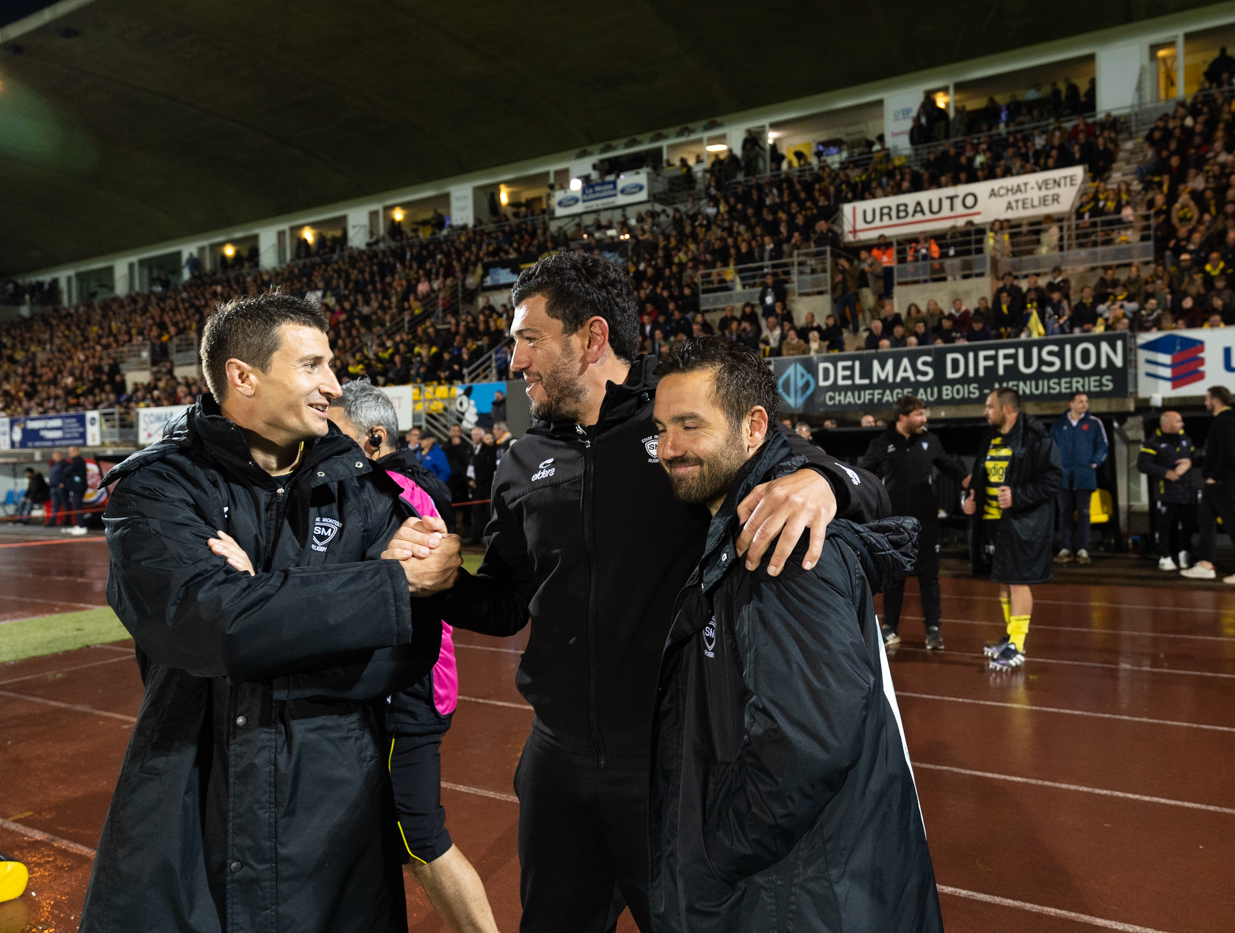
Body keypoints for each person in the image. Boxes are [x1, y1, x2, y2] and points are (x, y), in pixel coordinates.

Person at [412, 251, 882, 932]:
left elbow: (868, 491)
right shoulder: (521, 459)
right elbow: (509, 601)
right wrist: (442, 583)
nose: (514, 361)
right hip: (556, 762)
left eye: (529, 338)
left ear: (592, 338)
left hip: (671, 764)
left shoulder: (682, 427)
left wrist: (826, 483)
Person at [81, 293, 453, 933]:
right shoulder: (158, 488)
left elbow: (409, 648)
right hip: (189, 800)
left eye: (330, 366)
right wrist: (378, 585)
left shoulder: (361, 487)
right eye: (312, 366)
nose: (332, 386)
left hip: (336, 810)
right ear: (243, 376)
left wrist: (265, 603)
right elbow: (209, 626)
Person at [648, 337, 942, 932]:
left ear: (753, 426)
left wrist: (718, 848)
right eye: (660, 429)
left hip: (798, 890)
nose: (668, 448)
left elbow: (808, 741)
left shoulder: (782, 539)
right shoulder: (738, 512)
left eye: (688, 425)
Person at [326, 380, 496, 933]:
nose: (326, 445)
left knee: (418, 837)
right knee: (379, 835)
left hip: (410, 688)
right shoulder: (396, 483)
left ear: (374, 437)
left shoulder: (394, 489)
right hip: (405, 683)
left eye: (338, 434)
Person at [962, 387, 1062, 671]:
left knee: (1018, 581)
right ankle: (1010, 636)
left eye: (989, 406)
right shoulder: (990, 437)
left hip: (1024, 523)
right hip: (995, 523)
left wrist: (1018, 496)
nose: (985, 412)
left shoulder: (1036, 437)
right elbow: (980, 478)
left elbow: (1054, 479)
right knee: (1005, 580)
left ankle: (1017, 644)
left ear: (1006, 409)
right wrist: (970, 502)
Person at [860, 395, 967, 651]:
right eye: (919, 415)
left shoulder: (930, 441)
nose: (924, 419)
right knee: (894, 577)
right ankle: (890, 628)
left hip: (926, 523)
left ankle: (933, 629)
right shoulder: (881, 443)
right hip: (893, 525)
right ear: (902, 417)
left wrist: (970, 481)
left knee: (929, 577)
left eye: (924, 414)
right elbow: (864, 475)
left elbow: (950, 467)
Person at [1180, 386, 1235, 584]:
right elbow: (1213, 454)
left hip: (1223, 481)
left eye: (1206, 398)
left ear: (1215, 400)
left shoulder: (1224, 421)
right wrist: (1193, 462)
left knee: (1233, 523)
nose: (1205, 402)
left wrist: (1214, 476)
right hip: (1216, 481)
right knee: (1205, 521)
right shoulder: (1222, 422)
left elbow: (1228, 452)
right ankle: (1206, 565)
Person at [1050, 393, 1108, 565]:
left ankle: (1082, 549)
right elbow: (1050, 446)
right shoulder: (1059, 424)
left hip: (1085, 476)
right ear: (1071, 404)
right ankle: (1066, 548)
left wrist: (1095, 462)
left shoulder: (1094, 423)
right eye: (1081, 401)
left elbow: (1103, 445)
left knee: (1084, 513)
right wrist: (1055, 467)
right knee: (1064, 512)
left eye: (1086, 401)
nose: (1085, 404)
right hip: (1063, 476)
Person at [1137, 410, 1195, 571]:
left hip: (1185, 493)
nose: (1182, 424)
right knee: (1164, 527)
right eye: (1178, 421)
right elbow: (1142, 465)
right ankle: (1165, 556)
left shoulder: (1186, 439)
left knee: (1185, 526)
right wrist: (1165, 473)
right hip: (1165, 493)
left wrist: (1190, 462)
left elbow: (1193, 457)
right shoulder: (1152, 442)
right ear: (1167, 424)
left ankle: (1184, 554)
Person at [62, 446, 91, 535]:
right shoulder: (75, 461)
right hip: (76, 488)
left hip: (79, 488)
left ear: (77, 451)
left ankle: (82, 526)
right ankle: (79, 524)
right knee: (76, 506)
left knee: (78, 506)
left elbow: (68, 471)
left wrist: (68, 471)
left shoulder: (78, 461)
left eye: (72, 451)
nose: (70, 453)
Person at [46, 451, 69, 527]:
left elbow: (67, 474)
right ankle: (53, 520)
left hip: (60, 488)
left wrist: (63, 483)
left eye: (55, 455)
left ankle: (67, 520)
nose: (54, 457)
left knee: (65, 504)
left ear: (60, 455)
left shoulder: (64, 464)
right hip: (54, 487)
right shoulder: (54, 464)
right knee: (55, 505)